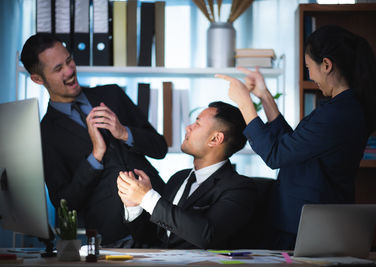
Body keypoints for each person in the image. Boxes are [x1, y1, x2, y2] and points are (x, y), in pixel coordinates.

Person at [216, 25, 376, 249]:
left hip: (310, 227)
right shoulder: (342, 109)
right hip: (307, 221)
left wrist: (245, 104)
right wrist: (264, 95)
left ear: (327, 65)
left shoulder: (338, 114)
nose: (310, 76)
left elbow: (275, 155)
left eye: (309, 67)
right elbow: (291, 147)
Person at [20, 33, 167, 246]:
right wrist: (96, 155)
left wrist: (123, 132)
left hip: (163, 219)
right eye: (58, 69)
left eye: (69, 61)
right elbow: (65, 205)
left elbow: (160, 148)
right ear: (37, 79)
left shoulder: (112, 94)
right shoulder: (46, 133)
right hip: (117, 237)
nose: (70, 71)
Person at [116, 101, 259, 249]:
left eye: (197, 124)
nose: (188, 127)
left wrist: (147, 198)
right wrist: (133, 206)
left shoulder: (240, 188)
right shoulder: (178, 178)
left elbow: (207, 235)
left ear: (215, 139)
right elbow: (151, 238)